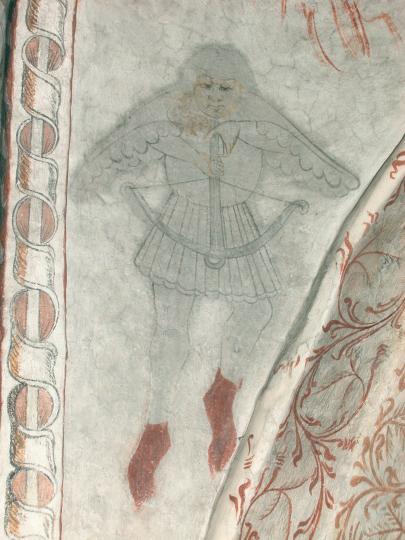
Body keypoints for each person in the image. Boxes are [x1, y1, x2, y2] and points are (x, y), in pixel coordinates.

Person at [82, 44, 358, 509]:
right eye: (206, 86)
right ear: (191, 87)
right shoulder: (170, 117)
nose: (213, 96)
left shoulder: (255, 122)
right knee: (171, 329)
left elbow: (317, 166)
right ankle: (155, 427)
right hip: (182, 224)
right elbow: (111, 157)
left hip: (236, 227)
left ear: (241, 92)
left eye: (225, 89)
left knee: (259, 307)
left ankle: (223, 389)